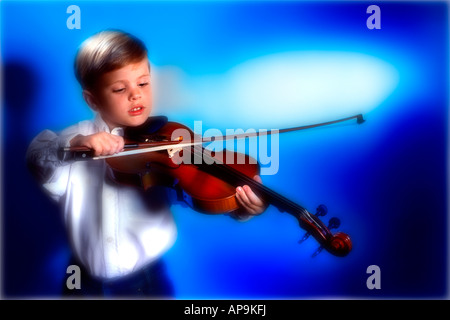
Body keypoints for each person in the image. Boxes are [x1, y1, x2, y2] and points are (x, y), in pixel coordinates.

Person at [26, 30, 267, 298]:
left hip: (147, 282)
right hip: (83, 282)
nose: (135, 95)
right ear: (92, 99)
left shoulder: (169, 137)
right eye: (120, 88)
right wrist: (75, 146)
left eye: (143, 83)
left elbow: (196, 189)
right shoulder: (74, 139)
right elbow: (37, 158)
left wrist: (239, 206)